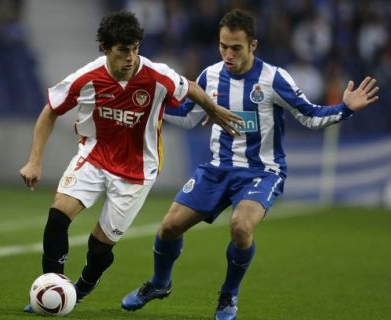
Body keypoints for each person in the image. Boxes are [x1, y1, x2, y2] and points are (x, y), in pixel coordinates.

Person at [121, 9, 379, 320]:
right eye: (223, 46)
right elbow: (190, 117)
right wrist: (150, 112)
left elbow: (309, 116)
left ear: (253, 46)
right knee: (169, 227)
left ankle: (228, 297)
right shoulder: (210, 76)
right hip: (218, 169)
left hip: (262, 171)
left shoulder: (274, 78)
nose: (228, 54)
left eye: (236, 48)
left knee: (240, 227)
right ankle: (159, 284)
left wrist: (345, 108)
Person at [19, 10, 243, 313]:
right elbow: (50, 110)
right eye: (124, 50)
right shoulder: (86, 78)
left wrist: (213, 109)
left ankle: (82, 286)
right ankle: (51, 288)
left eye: (135, 48)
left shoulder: (155, 75)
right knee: (57, 218)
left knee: (100, 247)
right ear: (105, 48)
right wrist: (34, 161)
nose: (131, 57)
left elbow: (190, 86)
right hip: (94, 156)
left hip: (136, 172)